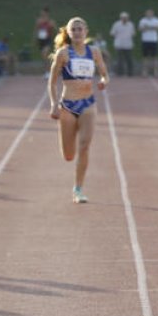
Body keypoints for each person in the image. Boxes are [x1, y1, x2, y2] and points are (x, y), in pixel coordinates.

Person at [47, 17, 109, 204]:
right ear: (68, 32)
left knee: (84, 146)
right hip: (67, 106)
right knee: (69, 155)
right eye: (73, 29)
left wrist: (103, 82)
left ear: (86, 31)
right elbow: (51, 82)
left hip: (88, 104)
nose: (77, 32)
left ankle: (78, 188)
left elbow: (105, 74)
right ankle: (74, 170)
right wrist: (53, 103)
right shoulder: (63, 54)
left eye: (80, 29)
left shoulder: (95, 52)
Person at [110, 11, 136, 77]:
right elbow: (112, 33)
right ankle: (120, 73)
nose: (124, 19)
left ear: (128, 18)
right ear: (121, 18)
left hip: (128, 44)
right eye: (123, 17)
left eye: (126, 18)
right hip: (119, 44)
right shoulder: (116, 24)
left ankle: (130, 73)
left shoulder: (131, 24)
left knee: (129, 59)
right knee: (119, 60)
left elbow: (133, 33)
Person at [138, 8, 158, 77]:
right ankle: (145, 71)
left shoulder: (156, 20)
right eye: (148, 13)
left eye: (150, 13)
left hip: (154, 40)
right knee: (145, 57)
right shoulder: (142, 20)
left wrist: (147, 27)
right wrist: (151, 28)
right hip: (145, 40)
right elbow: (140, 29)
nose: (149, 14)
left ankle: (156, 72)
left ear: (153, 14)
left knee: (155, 57)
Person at [35, 7, 57, 74]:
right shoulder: (39, 21)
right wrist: (35, 39)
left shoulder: (51, 21)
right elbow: (36, 30)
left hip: (48, 40)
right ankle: (47, 71)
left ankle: (49, 71)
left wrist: (52, 29)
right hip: (41, 40)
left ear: (47, 13)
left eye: (44, 12)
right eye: (42, 12)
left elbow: (55, 30)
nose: (42, 13)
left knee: (45, 54)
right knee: (44, 57)